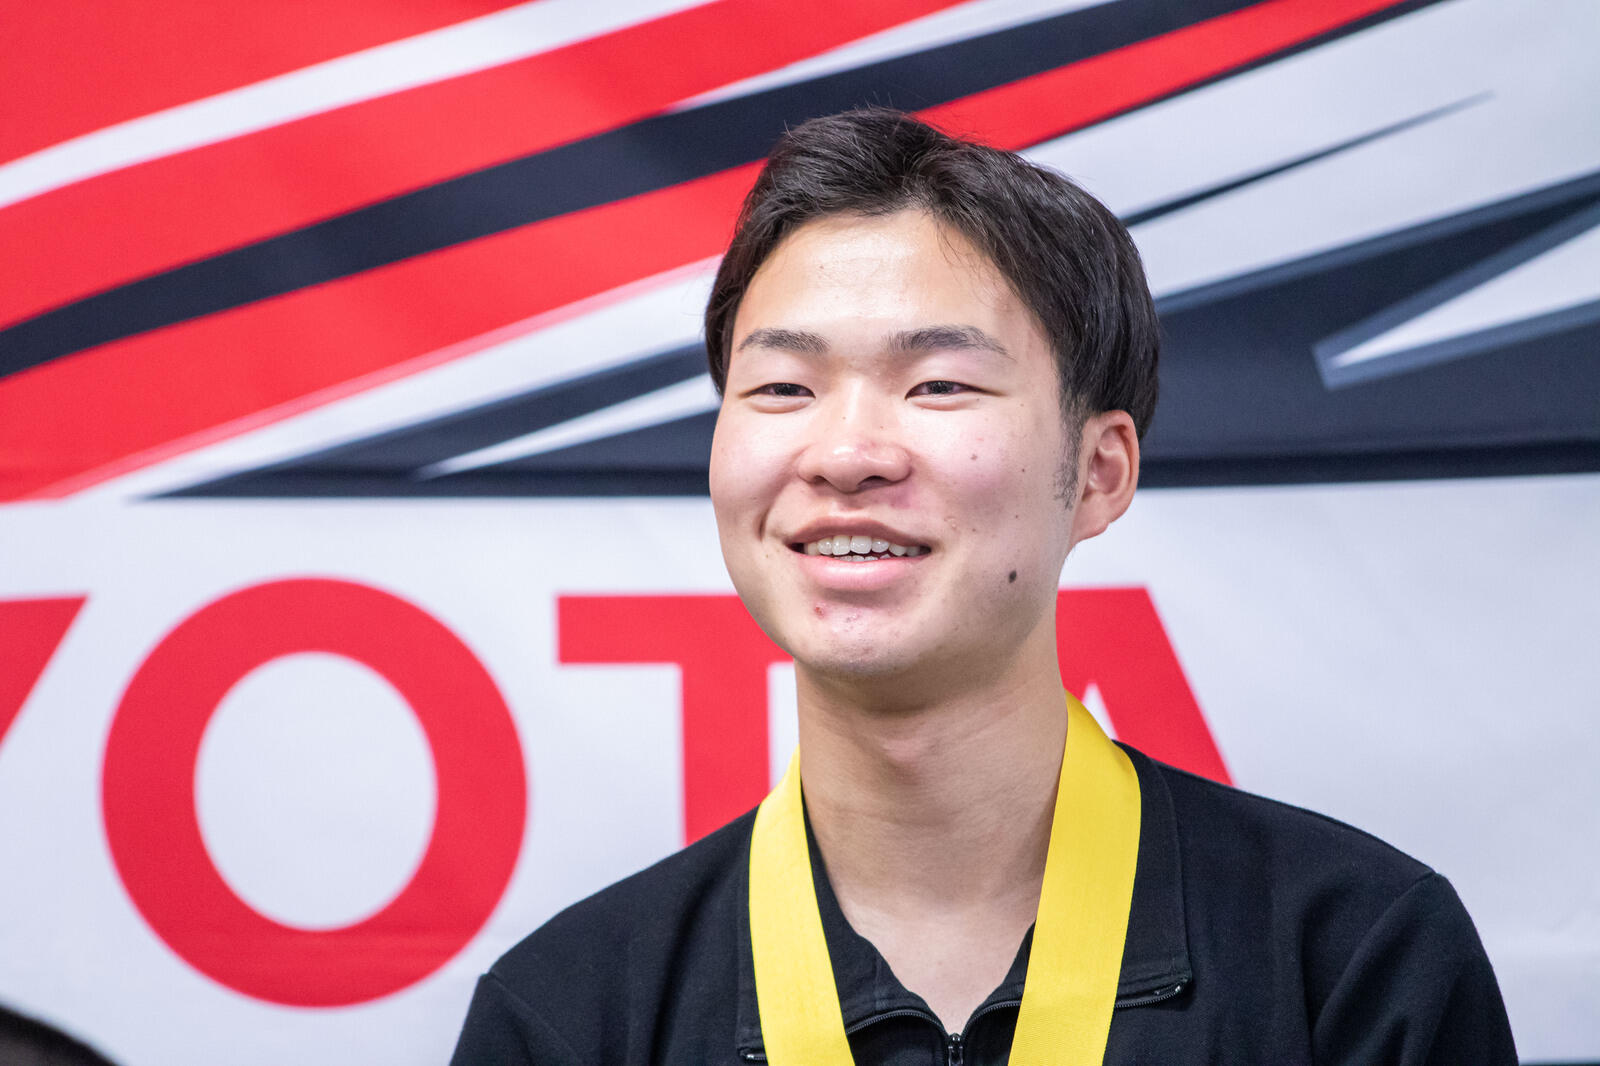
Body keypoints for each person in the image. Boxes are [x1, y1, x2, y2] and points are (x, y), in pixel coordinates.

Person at [450, 108, 1516, 1065]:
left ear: (1098, 473)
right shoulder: (572, 1016)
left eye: (938, 383)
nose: (847, 454)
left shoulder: (1351, 964)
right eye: (782, 387)